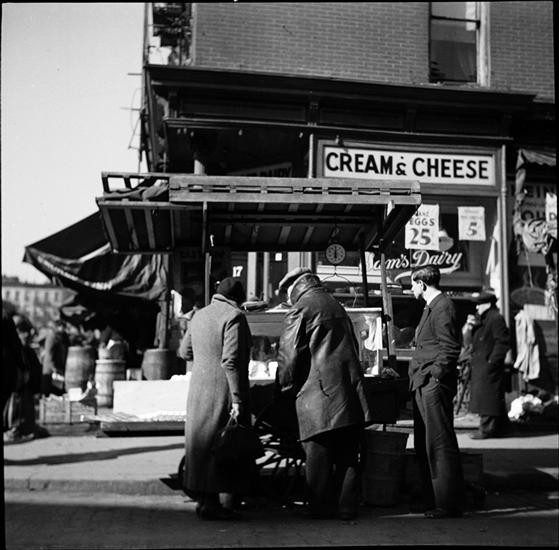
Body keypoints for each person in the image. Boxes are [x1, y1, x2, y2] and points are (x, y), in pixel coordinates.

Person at [276, 267, 373, 520]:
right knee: (348, 453)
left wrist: (284, 388)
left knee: (318, 452)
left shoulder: (300, 309)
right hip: (348, 390)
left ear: (294, 288)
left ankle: (319, 508)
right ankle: (346, 507)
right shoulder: (337, 306)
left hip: (318, 394)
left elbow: (288, 357)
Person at [178, 277, 255, 521]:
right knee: (225, 445)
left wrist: (205, 359)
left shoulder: (199, 315)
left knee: (203, 447)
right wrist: (237, 399)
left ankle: (206, 502)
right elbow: (231, 361)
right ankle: (221, 504)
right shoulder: (234, 316)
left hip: (198, 390)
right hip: (223, 390)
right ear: (238, 298)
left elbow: (184, 352)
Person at [409, 265, 464, 519]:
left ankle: (448, 503)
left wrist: (436, 377)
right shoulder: (431, 307)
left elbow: (450, 347)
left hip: (432, 384)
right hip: (423, 381)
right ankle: (432, 499)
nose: (411, 289)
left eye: (412, 284)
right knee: (425, 443)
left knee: (439, 443)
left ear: (422, 284)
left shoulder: (443, 307)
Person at [467, 290, 511, 439]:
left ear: (487, 304)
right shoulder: (485, 319)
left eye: (479, 304)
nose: (477, 307)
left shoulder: (496, 318)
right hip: (483, 364)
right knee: (490, 397)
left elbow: (502, 342)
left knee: (488, 398)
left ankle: (487, 429)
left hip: (489, 365)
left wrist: (492, 361)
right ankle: (502, 428)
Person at [40, 320, 69, 396]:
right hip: (50, 369)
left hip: (59, 368)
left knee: (58, 392)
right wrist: (53, 368)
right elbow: (49, 353)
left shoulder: (64, 337)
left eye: (63, 326)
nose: (62, 328)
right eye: (60, 326)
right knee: (49, 392)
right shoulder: (52, 337)